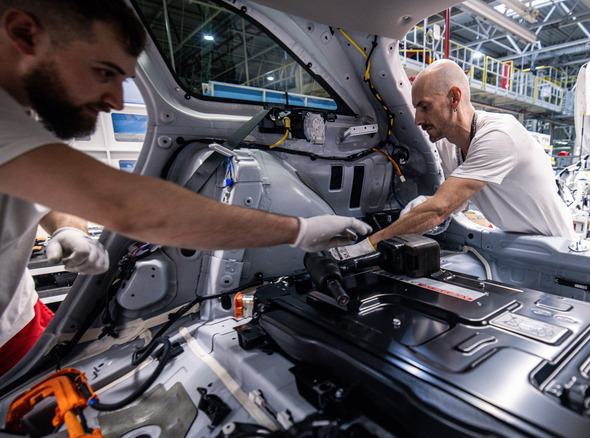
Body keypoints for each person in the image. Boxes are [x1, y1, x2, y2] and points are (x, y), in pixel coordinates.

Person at [0, 0, 370, 376]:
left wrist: (67, 228)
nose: (114, 100)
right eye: (103, 72)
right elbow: (137, 209)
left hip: (21, 319)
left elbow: (49, 187)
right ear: (24, 34)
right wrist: (299, 230)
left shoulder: (24, 118)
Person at [332, 59, 576, 260]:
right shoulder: (449, 144)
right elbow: (454, 203)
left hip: (558, 249)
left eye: (424, 107)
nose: (417, 119)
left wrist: (368, 245)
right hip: (515, 244)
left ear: (454, 98)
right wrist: (425, 203)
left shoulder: (499, 135)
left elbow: (440, 210)